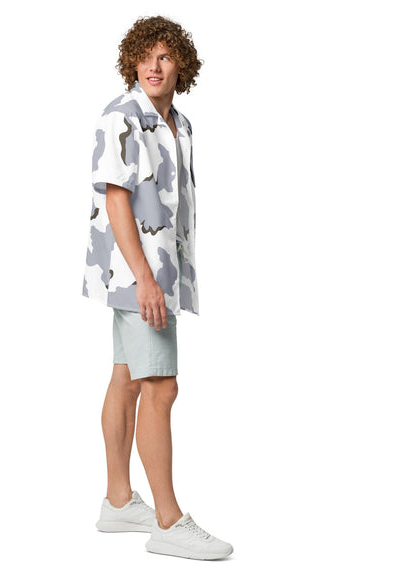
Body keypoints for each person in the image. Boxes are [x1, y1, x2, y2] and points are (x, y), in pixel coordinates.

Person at [82, 15, 233, 560]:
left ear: (180, 66)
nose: (153, 66)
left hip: (161, 273)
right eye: (145, 56)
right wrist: (144, 279)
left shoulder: (179, 124)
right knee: (161, 388)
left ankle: (119, 501)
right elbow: (116, 198)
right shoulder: (121, 116)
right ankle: (168, 521)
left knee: (127, 379)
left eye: (164, 57)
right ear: (132, 62)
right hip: (135, 274)